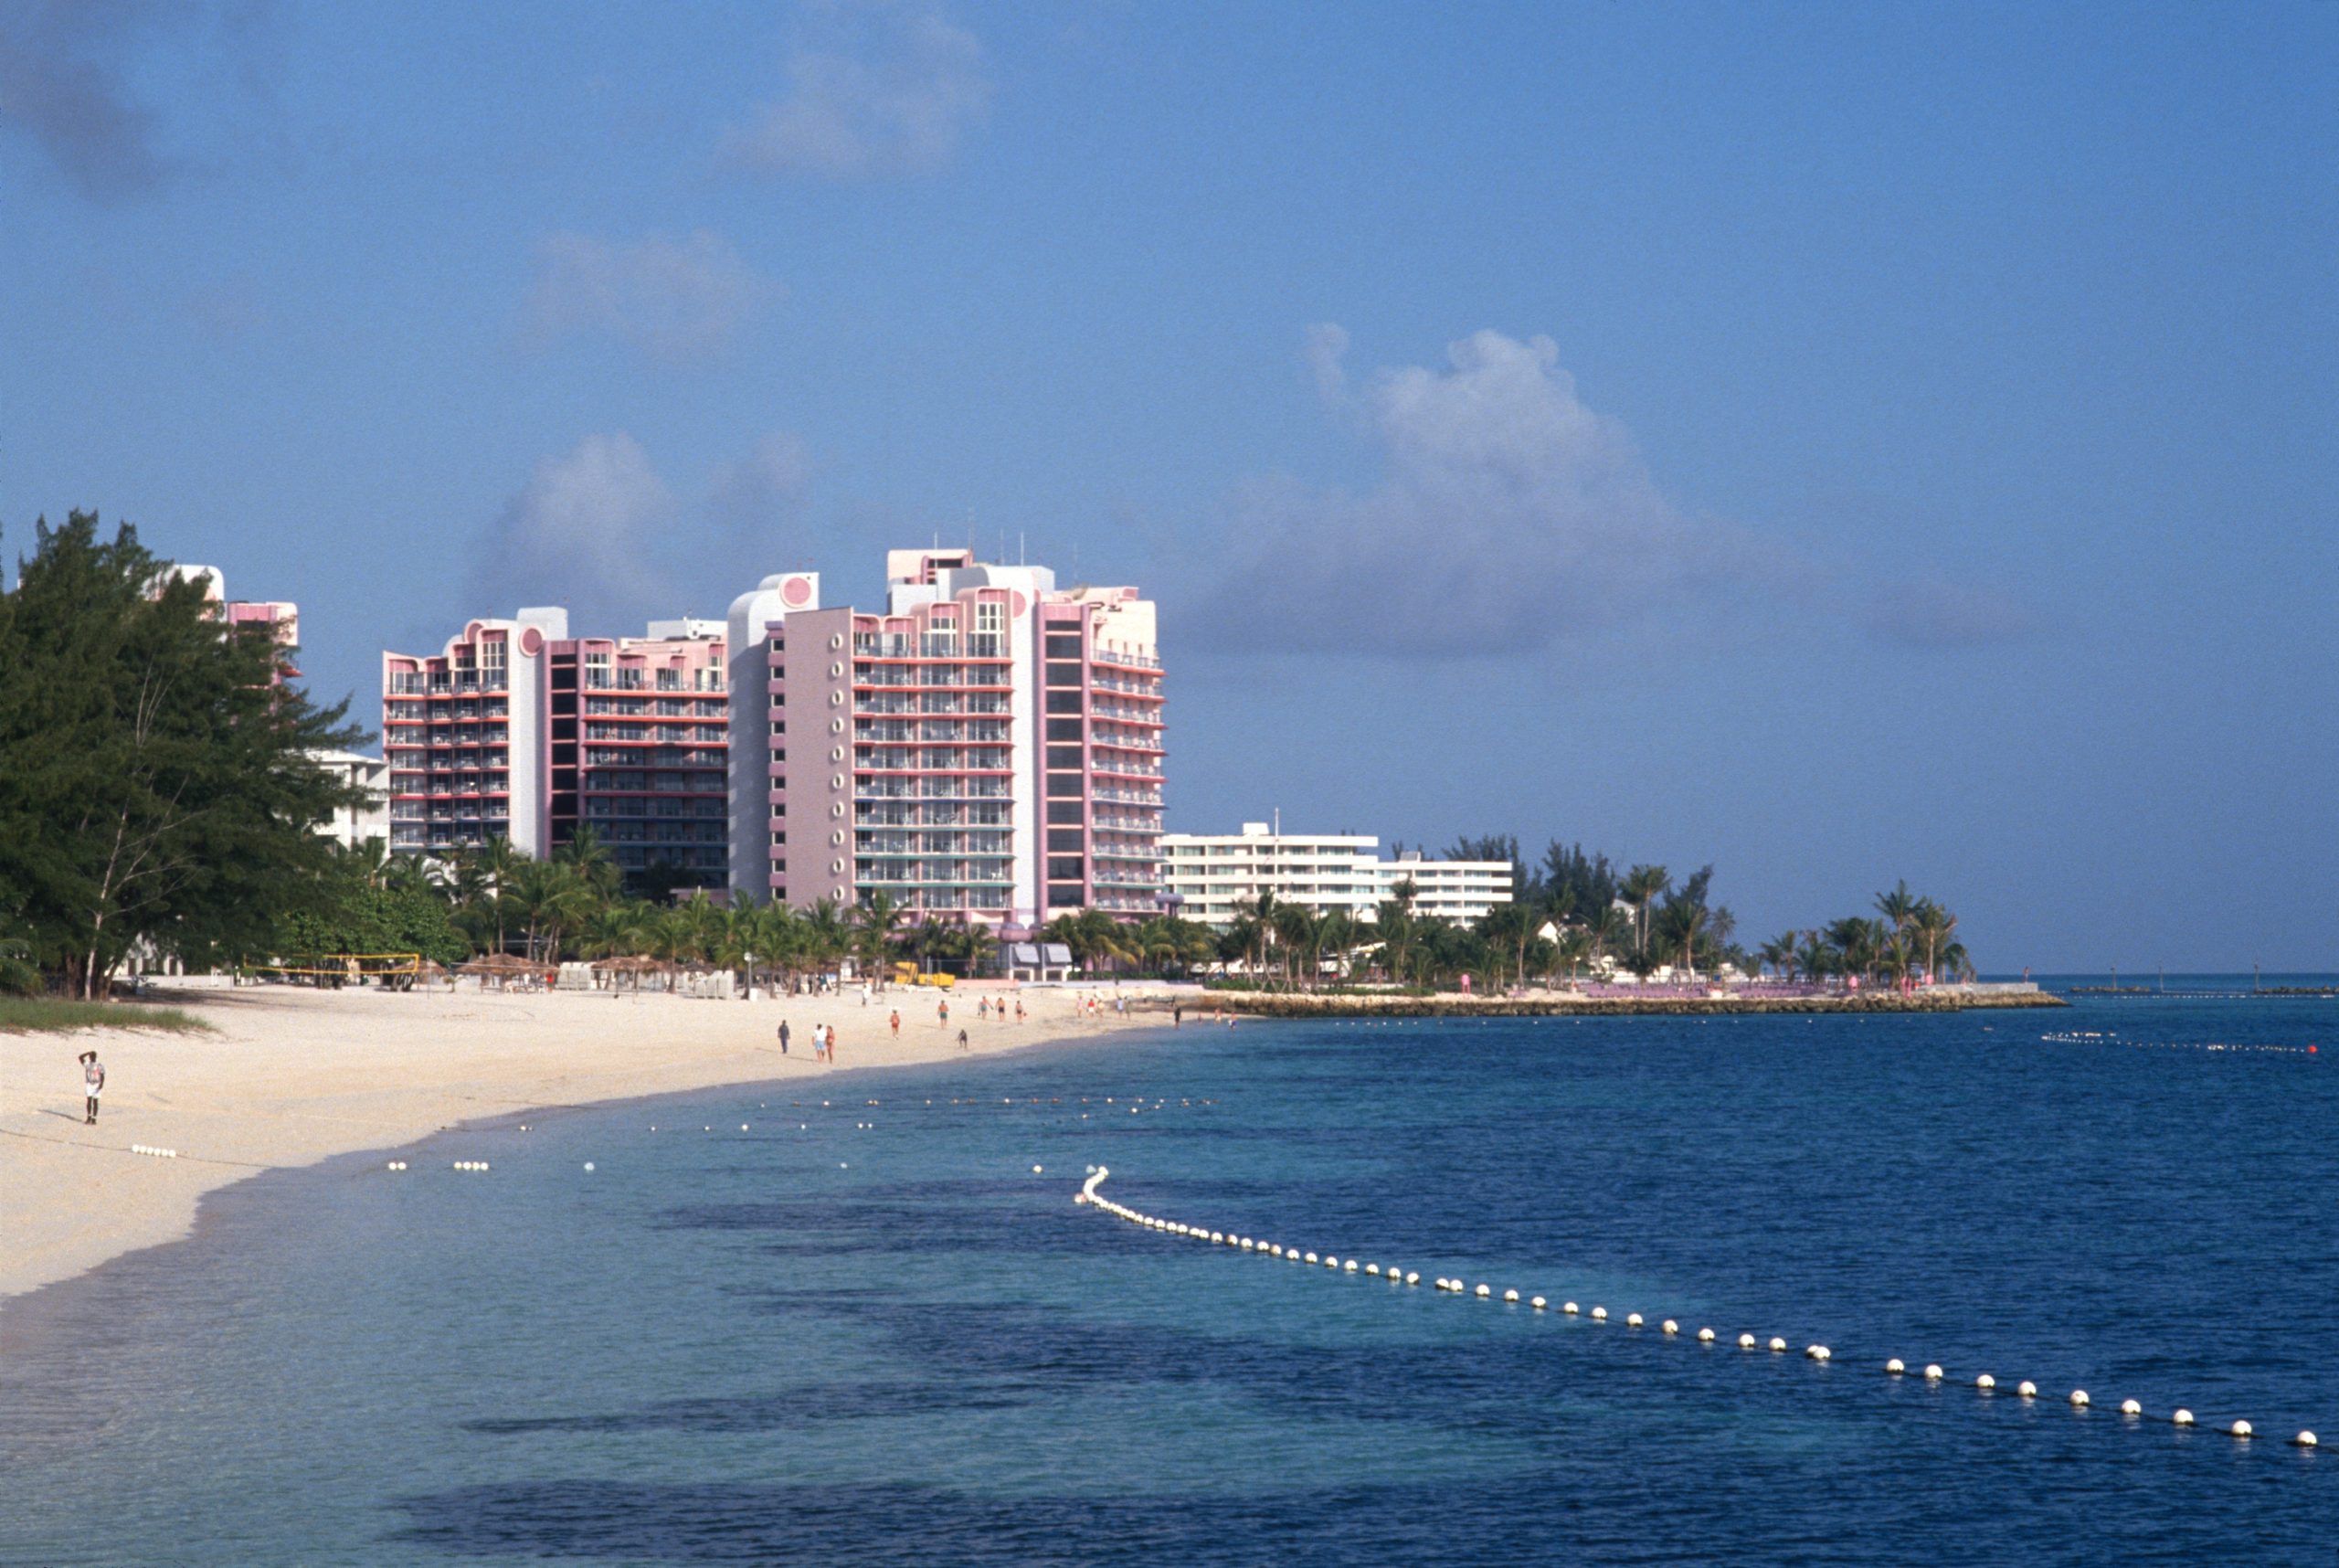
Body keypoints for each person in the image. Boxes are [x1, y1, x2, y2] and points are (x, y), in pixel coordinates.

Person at [80, 1050, 104, 1125]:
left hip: (97, 1084)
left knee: (95, 1102)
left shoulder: (99, 1065)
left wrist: (101, 1084)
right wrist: (87, 1053)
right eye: (91, 1057)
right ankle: (89, 1116)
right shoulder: (88, 1064)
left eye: (93, 1057)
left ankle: (94, 1118)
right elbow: (80, 1057)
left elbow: (102, 1074)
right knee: (89, 1100)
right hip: (89, 1084)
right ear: (90, 1057)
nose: (92, 1058)